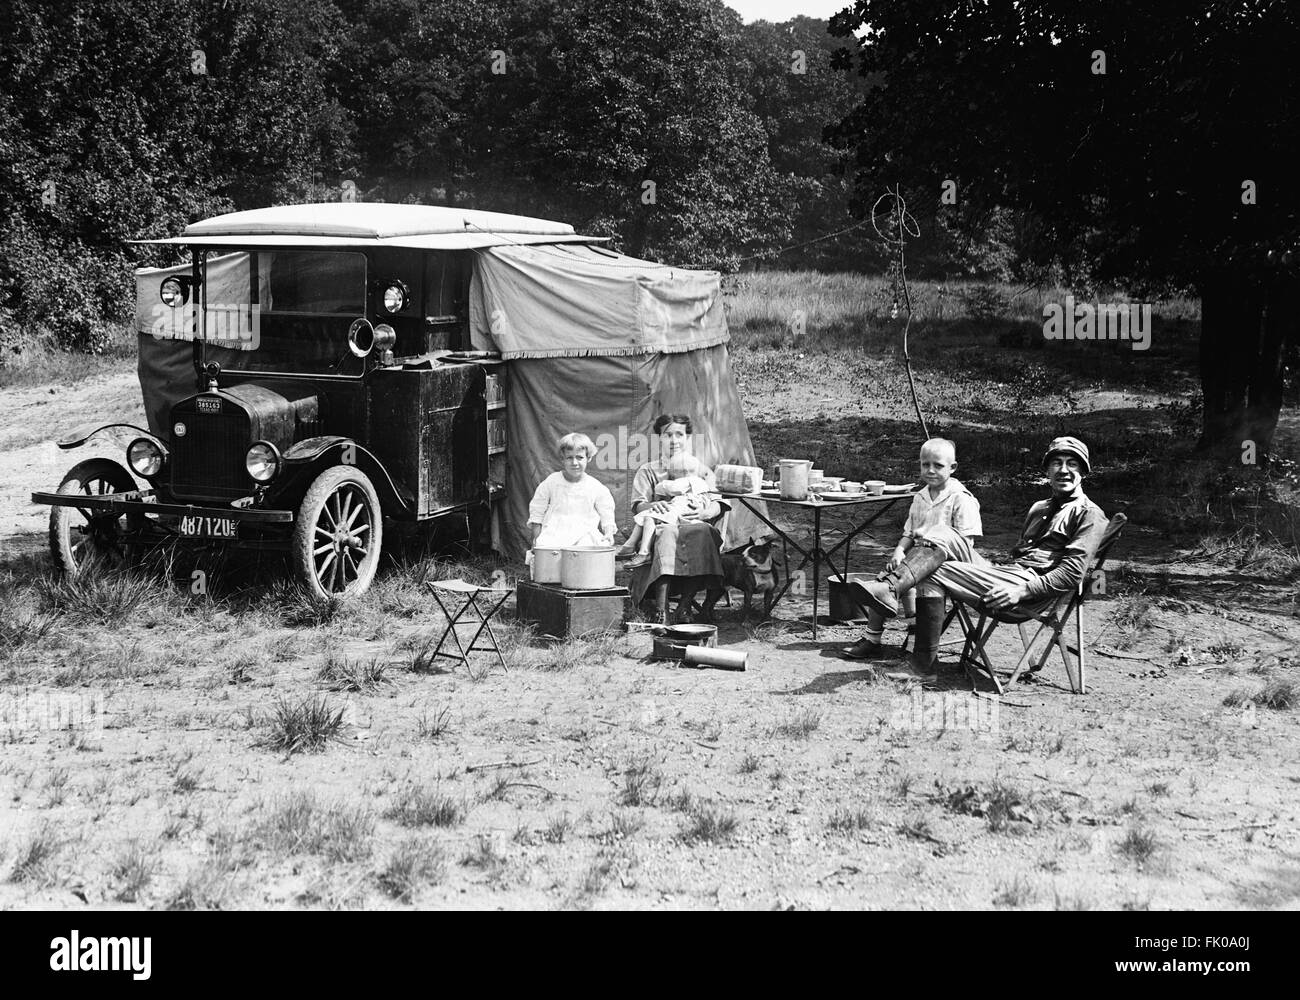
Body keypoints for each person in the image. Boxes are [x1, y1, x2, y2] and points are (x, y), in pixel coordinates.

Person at [851, 436, 1108, 683]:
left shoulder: (1089, 514)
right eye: (1056, 463)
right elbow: (1019, 554)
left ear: (1083, 471)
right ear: (1047, 470)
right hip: (1008, 573)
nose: (1063, 470)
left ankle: (920, 662)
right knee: (941, 531)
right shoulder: (1040, 507)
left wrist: (1023, 590)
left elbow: (1073, 574)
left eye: (1072, 464)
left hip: (1027, 589)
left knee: (931, 571)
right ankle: (891, 590)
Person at [840, 438, 982, 668]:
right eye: (925, 465)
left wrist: (931, 539)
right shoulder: (920, 496)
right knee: (887, 575)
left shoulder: (961, 498)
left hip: (950, 562)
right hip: (915, 560)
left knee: (910, 582)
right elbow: (909, 532)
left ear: (953, 468)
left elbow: (965, 543)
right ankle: (872, 637)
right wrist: (898, 550)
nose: (931, 470)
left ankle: (915, 637)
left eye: (938, 465)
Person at [628, 414, 728, 623]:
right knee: (667, 533)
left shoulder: (699, 469)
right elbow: (638, 504)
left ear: (688, 438)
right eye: (668, 435)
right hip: (661, 525)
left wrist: (705, 512)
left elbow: (718, 501)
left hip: (693, 522)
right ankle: (662, 610)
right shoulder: (648, 470)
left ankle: (684, 606)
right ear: (659, 439)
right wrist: (655, 505)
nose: (674, 441)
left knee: (703, 532)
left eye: (679, 435)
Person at [617, 452, 714, 567]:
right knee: (647, 516)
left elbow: (668, 488)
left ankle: (642, 551)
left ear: (682, 472)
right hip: (684, 509)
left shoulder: (689, 481)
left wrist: (663, 484)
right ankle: (630, 546)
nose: (672, 477)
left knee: (649, 517)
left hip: (685, 510)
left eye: (673, 474)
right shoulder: (700, 482)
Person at [527, 432, 617, 552]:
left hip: (585, 534)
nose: (574, 463)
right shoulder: (552, 482)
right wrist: (536, 540)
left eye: (579, 457)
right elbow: (537, 512)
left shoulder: (595, 487)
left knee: (591, 550)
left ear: (588, 458)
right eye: (569, 458)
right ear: (562, 459)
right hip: (554, 534)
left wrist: (609, 533)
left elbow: (607, 514)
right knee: (547, 551)